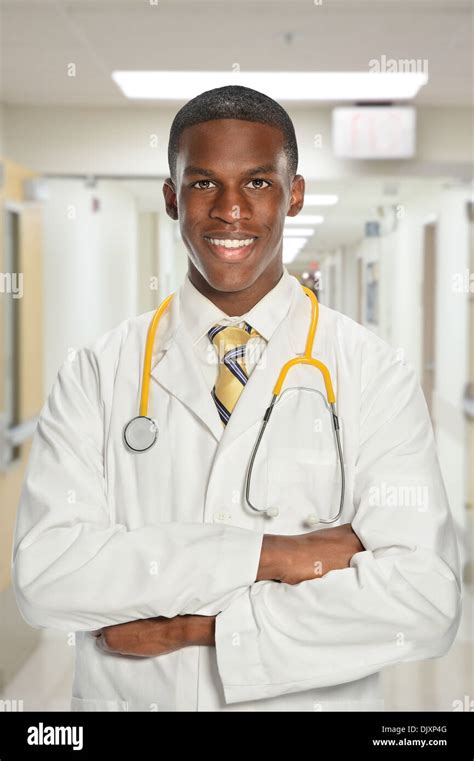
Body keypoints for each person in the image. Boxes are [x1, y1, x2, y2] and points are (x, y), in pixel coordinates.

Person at [11, 85, 461, 712]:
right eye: (202, 185)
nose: (230, 211)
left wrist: (195, 630)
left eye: (257, 183)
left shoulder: (372, 371)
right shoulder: (98, 371)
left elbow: (424, 602)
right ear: (172, 199)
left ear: (293, 194)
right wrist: (282, 556)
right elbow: (49, 578)